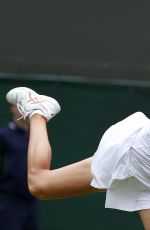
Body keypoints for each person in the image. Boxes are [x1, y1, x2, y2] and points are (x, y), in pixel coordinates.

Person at [6, 86, 150, 230]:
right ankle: (38, 112)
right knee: (40, 183)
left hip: (140, 146)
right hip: (140, 152)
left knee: (41, 185)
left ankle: (38, 112)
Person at [0, 102, 39, 230]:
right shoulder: (4, 135)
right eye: (20, 106)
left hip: (31, 199)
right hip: (9, 200)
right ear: (12, 108)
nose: (24, 110)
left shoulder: (35, 136)